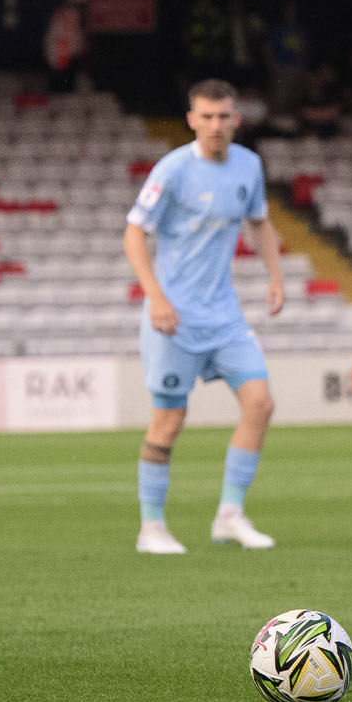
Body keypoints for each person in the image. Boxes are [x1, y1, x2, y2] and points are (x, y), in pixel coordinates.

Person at [122, 79, 284, 554]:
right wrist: (156, 297)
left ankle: (230, 515)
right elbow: (134, 235)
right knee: (168, 423)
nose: (216, 125)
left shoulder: (248, 165)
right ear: (192, 119)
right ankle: (151, 527)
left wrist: (275, 275)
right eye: (207, 117)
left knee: (260, 403)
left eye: (224, 116)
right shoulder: (171, 170)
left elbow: (258, 221)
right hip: (173, 319)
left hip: (225, 317)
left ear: (237, 118)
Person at [43, 0, 87, 94]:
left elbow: (77, 39)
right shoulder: (63, 16)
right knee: (61, 92)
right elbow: (53, 40)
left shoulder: (77, 16)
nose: (81, 5)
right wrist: (56, 60)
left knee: (71, 92)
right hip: (61, 60)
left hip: (71, 59)